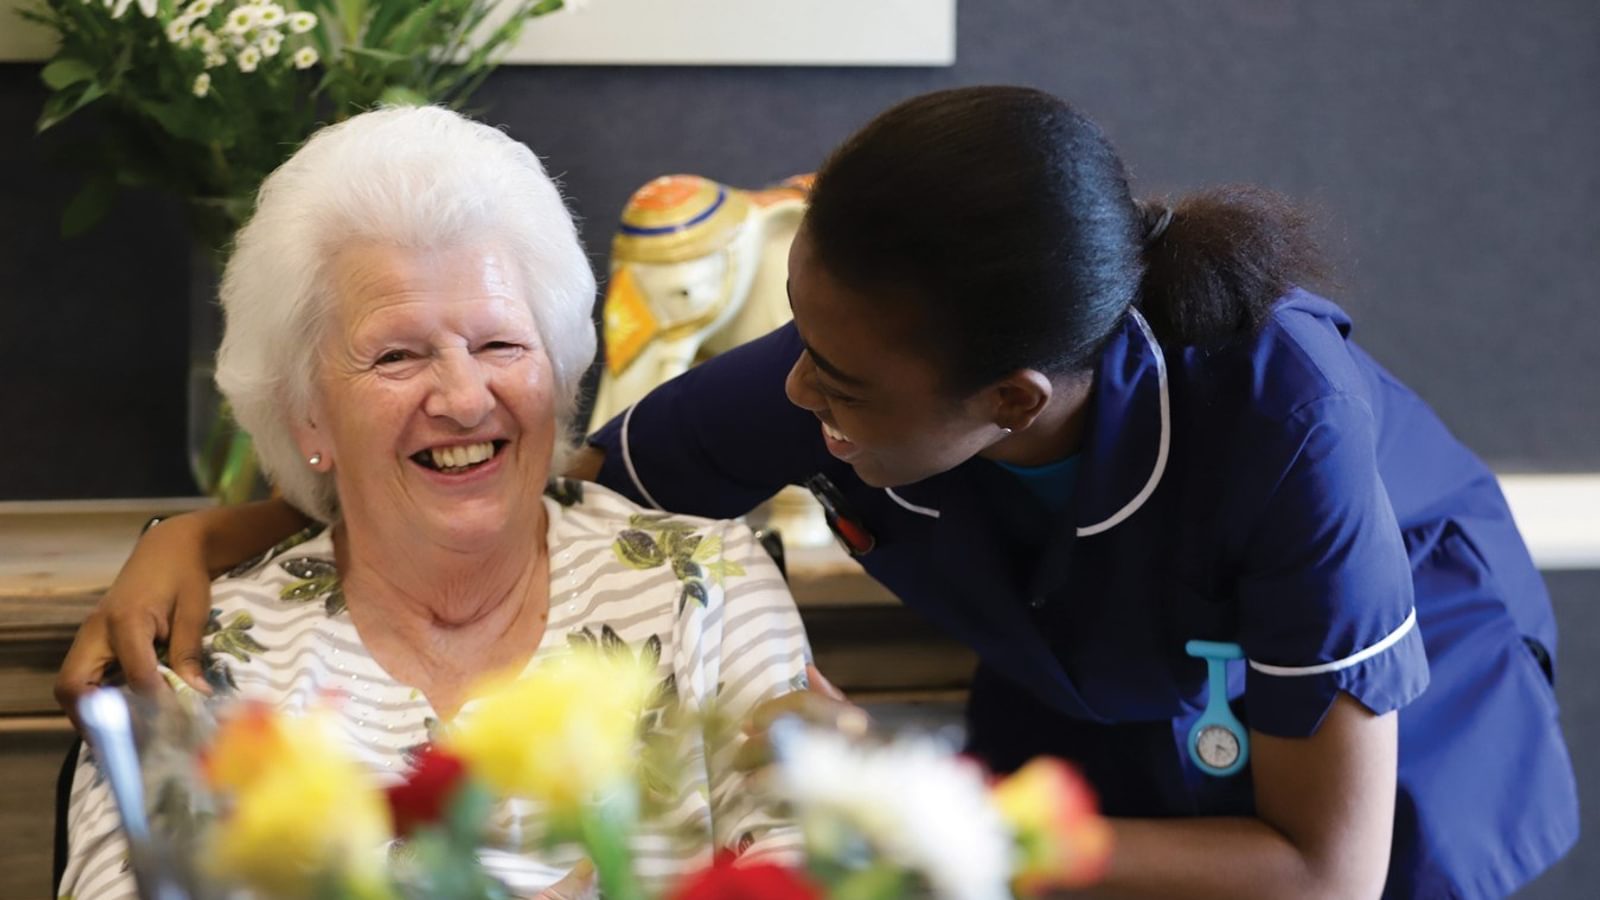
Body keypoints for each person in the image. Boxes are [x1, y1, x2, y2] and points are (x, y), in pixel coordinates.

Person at [59, 87, 1575, 899]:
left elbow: (1322, 871)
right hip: (1097, 708)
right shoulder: (823, 372)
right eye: (799, 333)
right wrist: (219, 526)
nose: (790, 396)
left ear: (1006, 403)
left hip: (1372, 770)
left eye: (836, 382)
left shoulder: (1284, 427)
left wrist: (923, 804)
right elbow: (509, 466)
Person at [59, 106, 811, 900]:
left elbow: (811, 868)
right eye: (397, 355)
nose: (464, 398)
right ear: (305, 413)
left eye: (500, 344)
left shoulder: (707, 588)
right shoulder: (199, 654)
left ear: (558, 375)